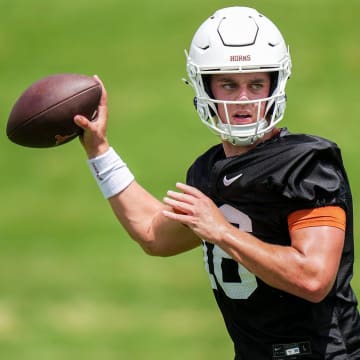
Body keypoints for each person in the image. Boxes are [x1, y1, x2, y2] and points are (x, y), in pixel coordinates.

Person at [74, 6, 360, 360]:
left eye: (256, 84)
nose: (244, 99)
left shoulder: (304, 164)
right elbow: (153, 234)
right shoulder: (210, 171)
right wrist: (99, 150)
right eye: (229, 84)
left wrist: (222, 231)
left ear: (275, 84)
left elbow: (314, 279)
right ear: (204, 86)